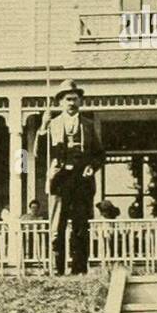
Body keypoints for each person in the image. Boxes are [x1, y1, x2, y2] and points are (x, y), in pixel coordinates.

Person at [39, 78, 103, 276]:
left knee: (80, 227)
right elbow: (40, 154)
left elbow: (99, 154)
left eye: (75, 99)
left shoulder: (89, 125)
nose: (72, 103)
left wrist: (92, 167)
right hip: (60, 182)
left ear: (80, 101)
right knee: (57, 226)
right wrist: (43, 127)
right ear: (60, 102)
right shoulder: (53, 125)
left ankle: (79, 269)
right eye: (68, 99)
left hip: (82, 182)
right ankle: (57, 269)